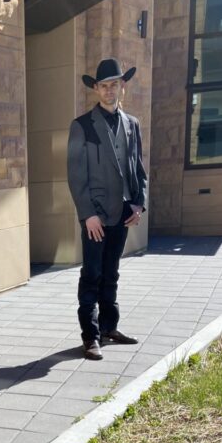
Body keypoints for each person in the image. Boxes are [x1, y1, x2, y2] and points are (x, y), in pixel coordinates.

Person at [67, 58, 148, 360]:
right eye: (104, 86)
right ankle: (90, 337)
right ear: (96, 89)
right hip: (96, 216)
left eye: (115, 84)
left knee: (111, 273)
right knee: (92, 274)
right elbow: (76, 175)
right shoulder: (82, 126)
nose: (109, 90)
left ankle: (108, 327)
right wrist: (87, 214)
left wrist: (140, 203)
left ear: (121, 86)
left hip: (124, 212)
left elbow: (137, 168)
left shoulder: (132, 124)